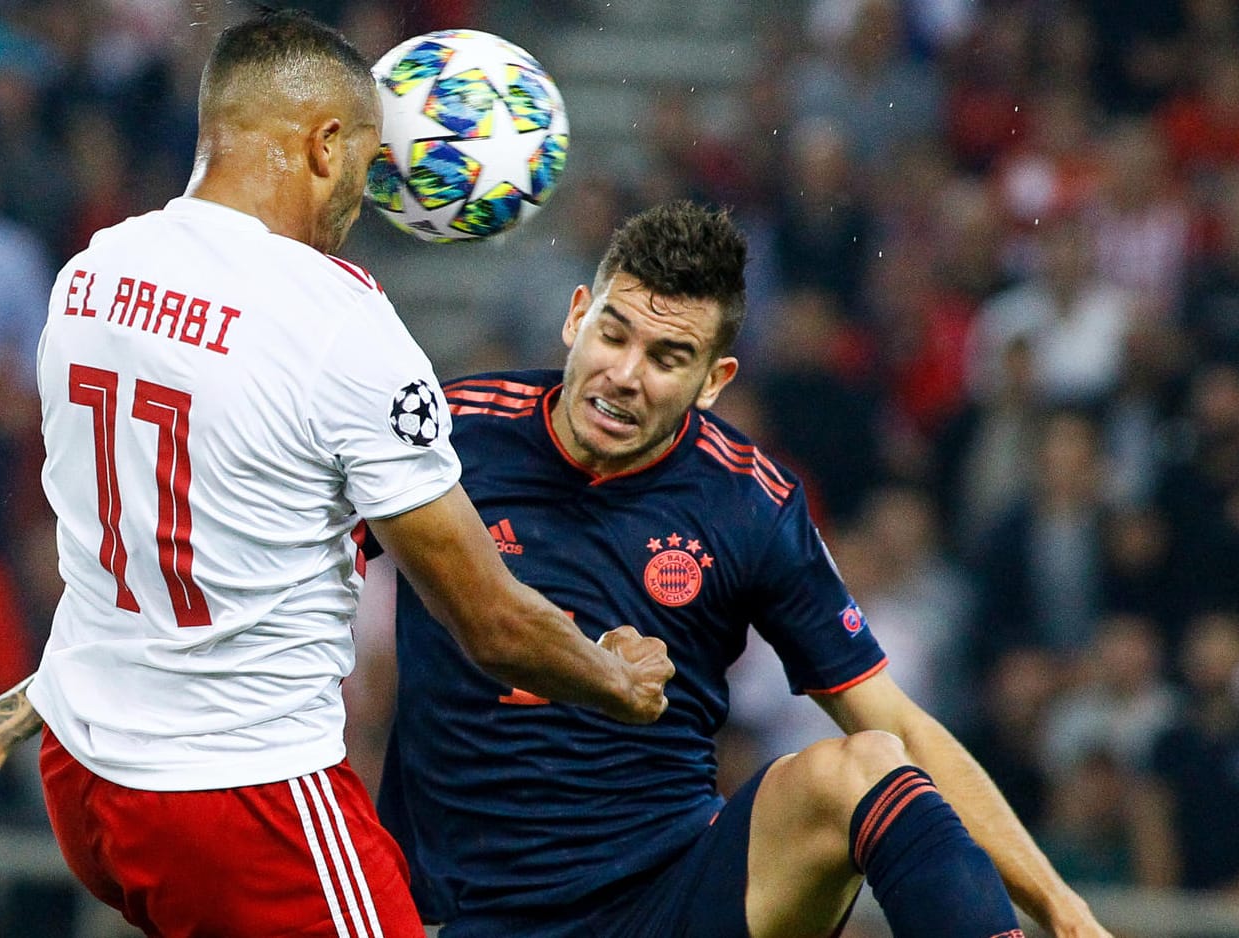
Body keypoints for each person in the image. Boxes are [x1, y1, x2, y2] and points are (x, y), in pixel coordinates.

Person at [0, 11, 673, 938]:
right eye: (372, 160)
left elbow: (119, 571)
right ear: (325, 143)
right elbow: (490, 622)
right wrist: (614, 681)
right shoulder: (336, 324)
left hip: (87, 788)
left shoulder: (92, 275)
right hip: (240, 803)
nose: (372, 192)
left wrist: (2, 720)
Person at [352, 202, 1111, 938]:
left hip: (674, 890)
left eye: (666, 358)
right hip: (477, 909)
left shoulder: (749, 502)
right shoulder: (449, 437)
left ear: (713, 382)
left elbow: (899, 720)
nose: (624, 374)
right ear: (575, 315)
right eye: (612, 335)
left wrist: (1060, 905)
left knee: (868, 763)